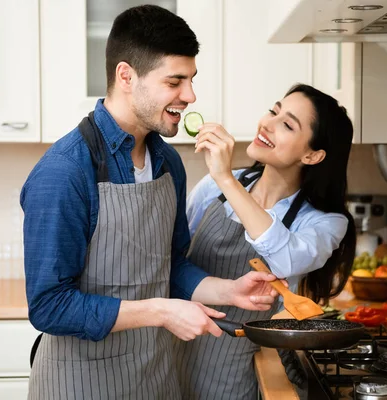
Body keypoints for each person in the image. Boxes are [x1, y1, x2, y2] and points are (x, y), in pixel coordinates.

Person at [20, 5, 280, 399]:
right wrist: (160, 311)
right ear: (126, 76)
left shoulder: (168, 163)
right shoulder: (65, 172)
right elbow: (50, 307)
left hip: (155, 380)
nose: (190, 96)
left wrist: (226, 290)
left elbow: (168, 265)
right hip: (81, 385)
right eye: (175, 81)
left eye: (191, 80)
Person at [173, 83, 357, 399]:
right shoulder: (213, 188)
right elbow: (176, 259)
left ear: (312, 154)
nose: (267, 124)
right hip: (176, 347)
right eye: (273, 111)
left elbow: (285, 258)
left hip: (244, 364)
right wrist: (225, 181)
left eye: (286, 124)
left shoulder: (324, 222)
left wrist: (227, 180)